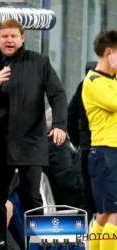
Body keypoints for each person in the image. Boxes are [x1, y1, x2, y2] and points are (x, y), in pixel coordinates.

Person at [0, 18, 67, 248]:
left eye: (13, 36)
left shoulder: (40, 62)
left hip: (30, 142)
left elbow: (58, 95)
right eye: (4, 36)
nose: (9, 40)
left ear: (22, 38)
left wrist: (60, 124)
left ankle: (39, 242)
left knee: (31, 196)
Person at [82, 29, 117, 250]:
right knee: (114, 213)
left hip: (110, 153)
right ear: (108, 53)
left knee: (105, 214)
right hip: (106, 152)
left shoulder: (112, 80)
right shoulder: (94, 81)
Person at [67, 61, 97, 223]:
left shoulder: (82, 87)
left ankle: (82, 236)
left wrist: (77, 141)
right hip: (107, 146)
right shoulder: (109, 86)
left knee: (87, 194)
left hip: (87, 145)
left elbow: (70, 116)